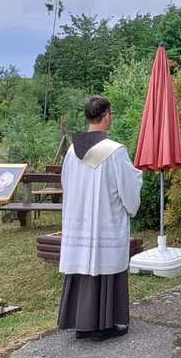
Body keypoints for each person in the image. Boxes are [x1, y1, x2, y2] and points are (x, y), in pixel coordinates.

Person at [58, 96, 143, 341]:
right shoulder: (114, 151)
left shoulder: (72, 151)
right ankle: (103, 324)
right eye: (111, 114)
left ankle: (81, 324)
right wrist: (137, 179)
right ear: (105, 115)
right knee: (104, 264)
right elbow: (127, 187)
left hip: (79, 222)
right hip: (105, 221)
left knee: (82, 264)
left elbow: (66, 184)